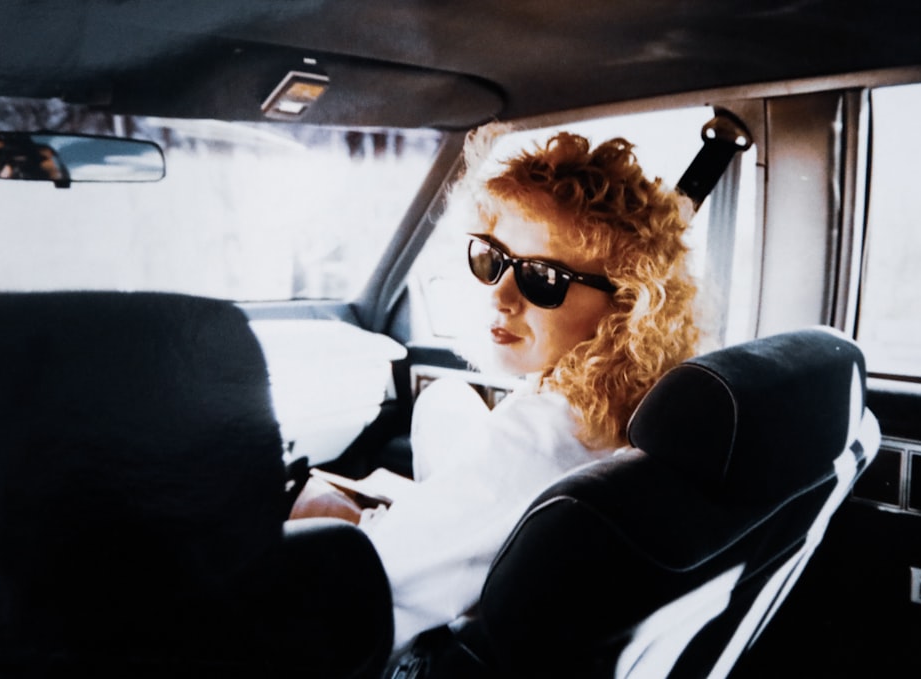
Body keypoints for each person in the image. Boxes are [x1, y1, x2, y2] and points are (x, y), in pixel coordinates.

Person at [289, 125, 700, 649]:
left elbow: (356, 588)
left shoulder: (539, 435)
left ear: (626, 304)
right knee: (446, 402)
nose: (499, 296)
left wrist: (327, 517)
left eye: (542, 278)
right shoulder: (642, 410)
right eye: (492, 259)